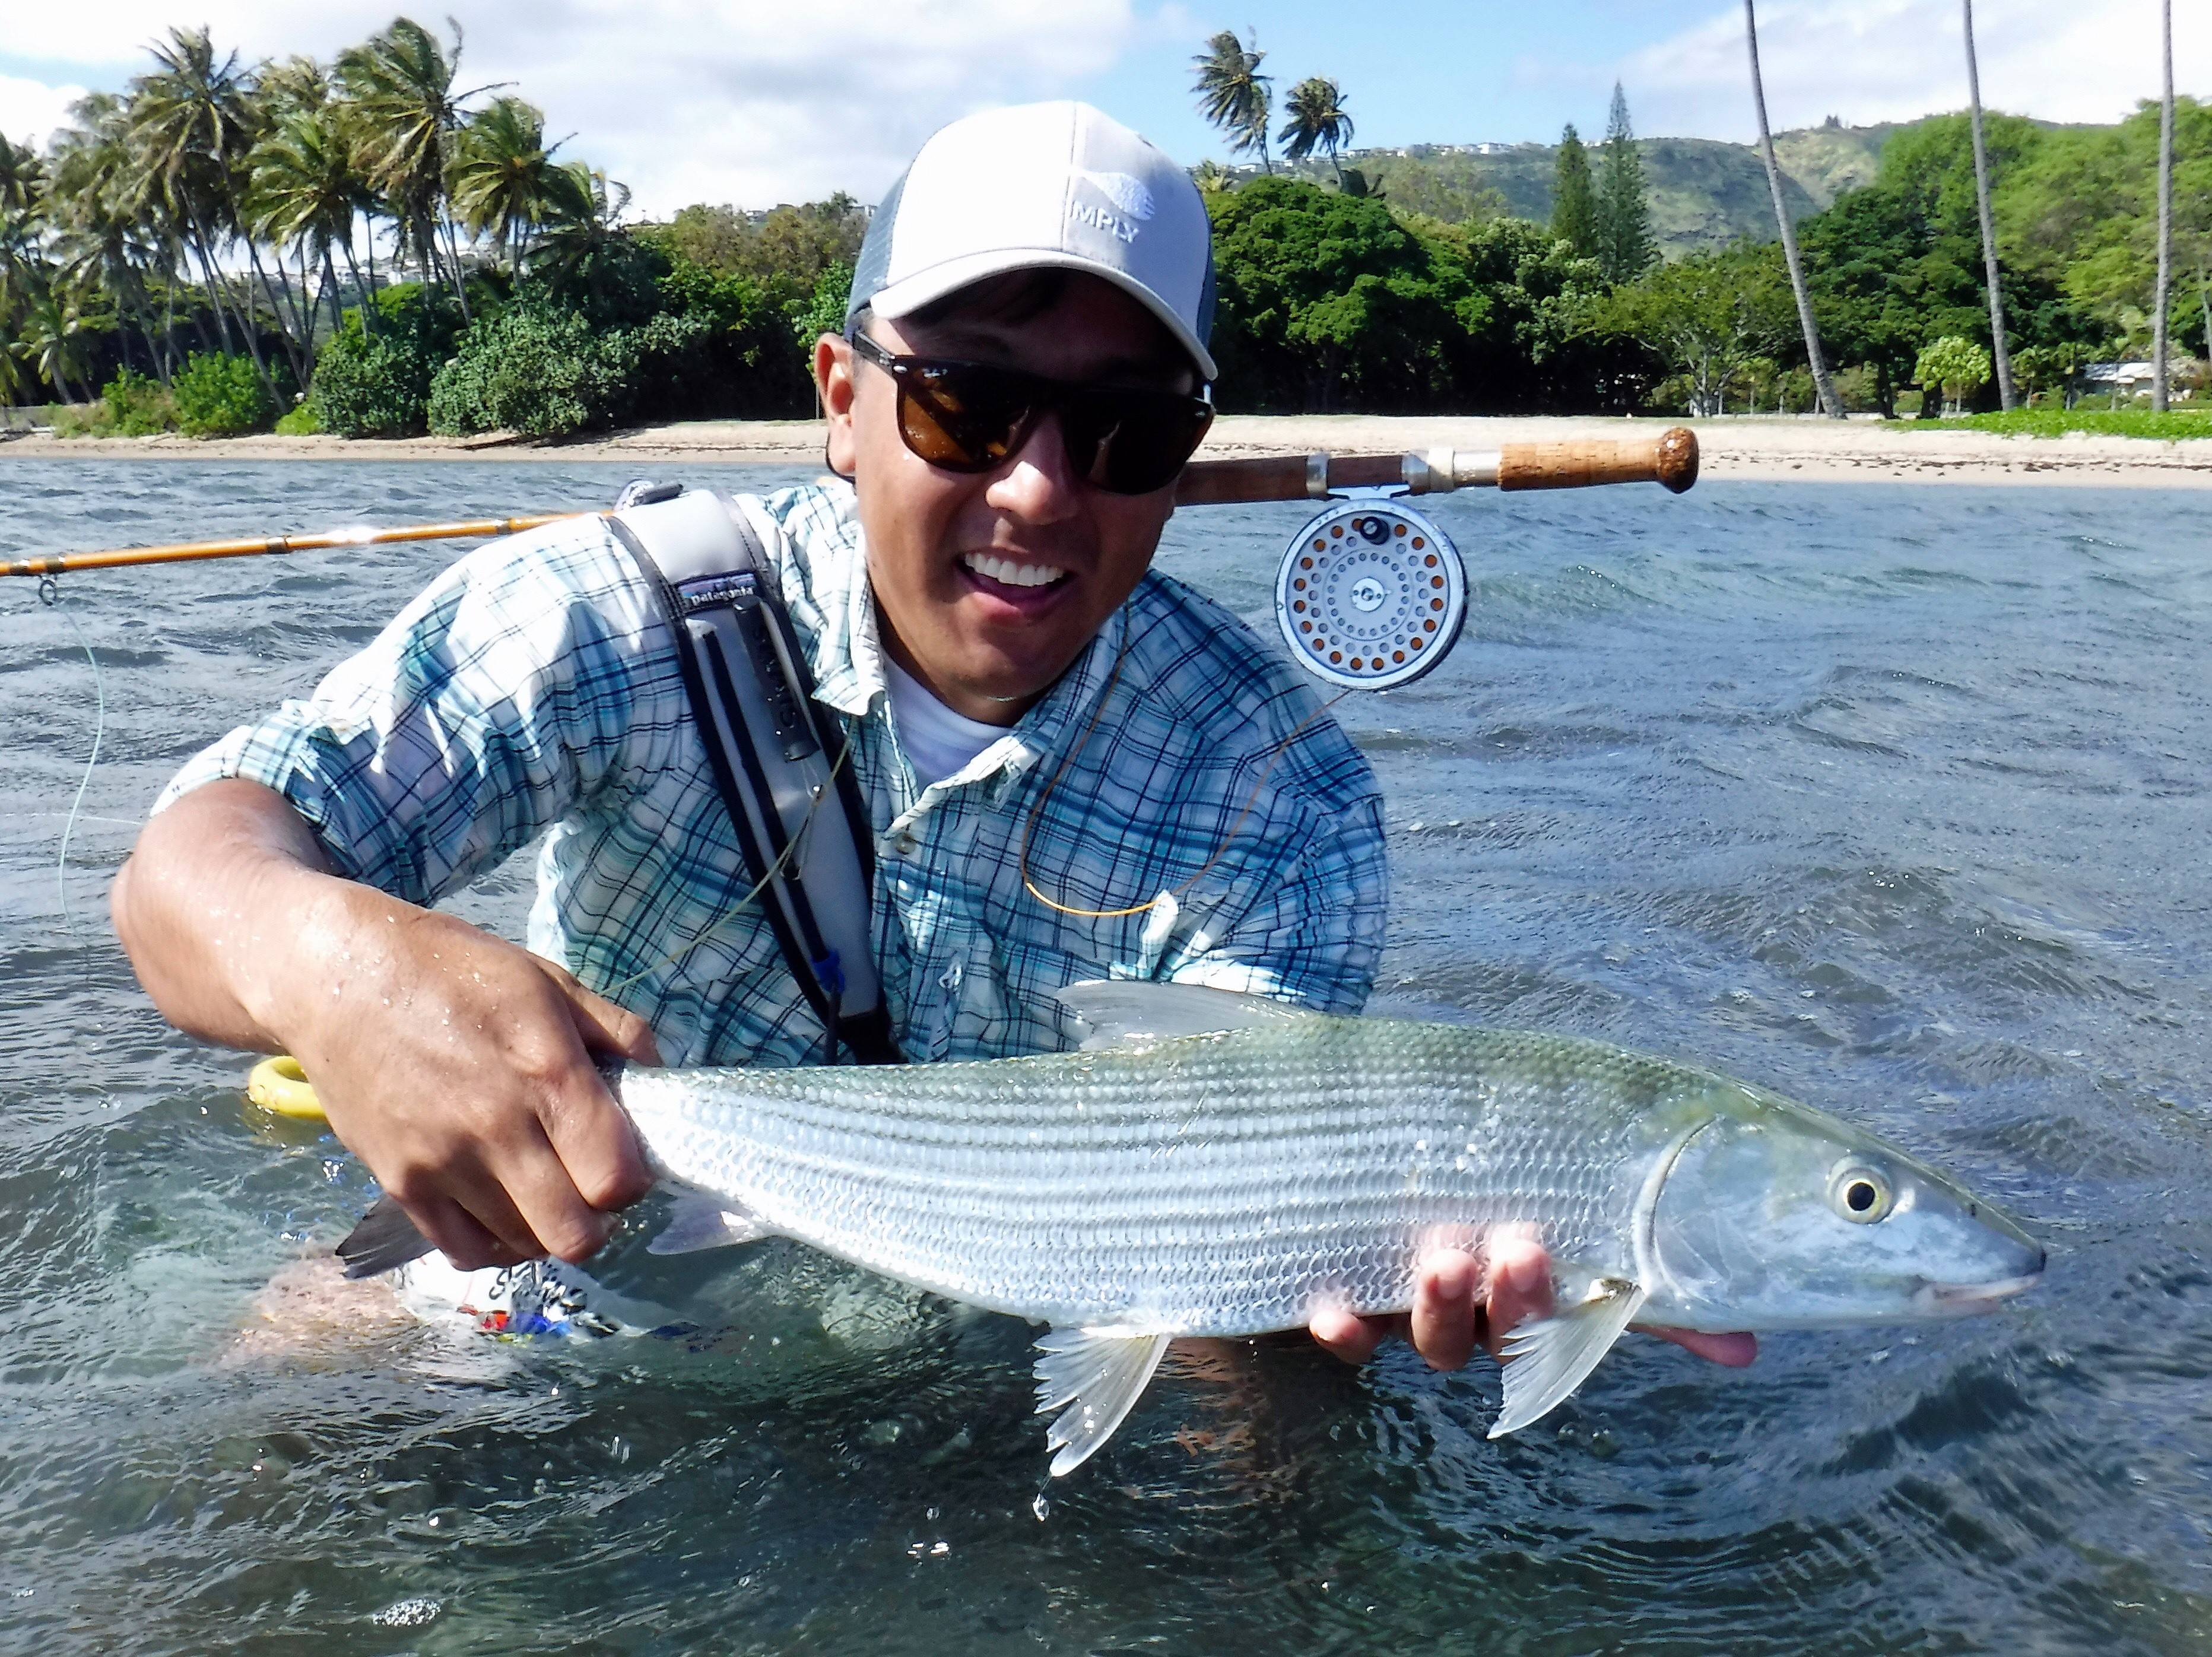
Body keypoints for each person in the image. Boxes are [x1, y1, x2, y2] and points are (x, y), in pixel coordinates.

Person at [112, 101, 1752, 1378]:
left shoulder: (1283, 797)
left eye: (1123, 430)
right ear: (840, 397)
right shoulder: (612, 618)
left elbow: (1215, 1308)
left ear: (1184, 455)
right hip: (554, 1287)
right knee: (246, 1450)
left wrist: (1349, 1304)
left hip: (979, 1371)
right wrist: (332, 970)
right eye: (964, 402)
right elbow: (192, 869)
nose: (1039, 488)